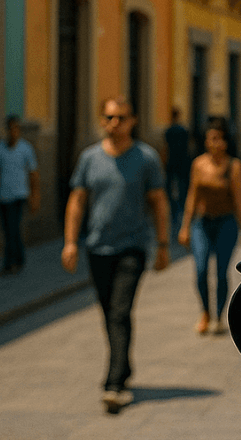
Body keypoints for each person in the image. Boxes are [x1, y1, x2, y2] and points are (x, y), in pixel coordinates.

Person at [61, 97, 170, 414]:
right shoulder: (90, 158)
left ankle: (114, 383)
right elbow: (77, 200)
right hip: (97, 247)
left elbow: (159, 202)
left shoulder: (146, 158)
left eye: (121, 118)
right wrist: (70, 242)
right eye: (109, 118)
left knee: (120, 312)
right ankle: (123, 368)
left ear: (132, 121)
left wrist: (162, 246)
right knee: (109, 313)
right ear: (102, 120)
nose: (114, 123)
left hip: (132, 248)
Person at [178, 116, 241, 335]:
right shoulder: (198, 164)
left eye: (219, 138)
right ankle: (205, 313)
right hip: (202, 223)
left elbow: (239, 199)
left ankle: (218, 316)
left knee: (220, 272)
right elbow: (192, 195)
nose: (215, 143)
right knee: (200, 270)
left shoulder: (234, 166)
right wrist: (185, 226)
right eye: (211, 138)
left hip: (226, 223)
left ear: (226, 142)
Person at [0, 115, 40, 275]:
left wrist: (35, 196)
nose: (13, 132)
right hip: (3, 195)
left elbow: (33, 174)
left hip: (19, 195)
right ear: (6, 130)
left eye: (16, 129)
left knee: (13, 229)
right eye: (10, 129)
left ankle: (9, 263)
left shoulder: (26, 149)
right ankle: (19, 258)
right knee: (8, 229)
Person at [163, 108, 190, 229]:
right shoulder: (183, 130)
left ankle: (174, 213)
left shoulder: (169, 131)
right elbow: (188, 146)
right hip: (182, 162)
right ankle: (182, 211)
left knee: (170, 188)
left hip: (172, 162)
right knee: (182, 187)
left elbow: (165, 148)